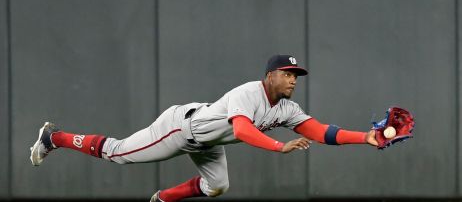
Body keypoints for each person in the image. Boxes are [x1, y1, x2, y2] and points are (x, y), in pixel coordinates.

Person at [30, 54, 378, 202]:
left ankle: (164, 198)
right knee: (117, 153)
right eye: (287, 74)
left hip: (208, 142)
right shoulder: (249, 92)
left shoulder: (287, 108)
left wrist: (366, 137)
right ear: (269, 75)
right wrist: (278, 147)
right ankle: (54, 137)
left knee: (218, 186)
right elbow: (242, 130)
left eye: (295, 75)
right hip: (181, 128)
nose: (292, 79)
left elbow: (321, 131)